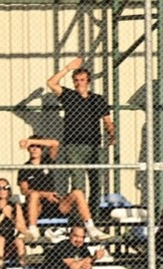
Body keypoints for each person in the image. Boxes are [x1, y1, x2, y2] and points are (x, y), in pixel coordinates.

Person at [47, 57, 114, 210]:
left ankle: (93, 217)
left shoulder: (97, 99)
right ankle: (80, 219)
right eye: (76, 80)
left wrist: (111, 133)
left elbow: (107, 120)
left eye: (82, 80)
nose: (79, 83)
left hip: (94, 146)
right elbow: (51, 83)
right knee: (78, 184)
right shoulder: (69, 96)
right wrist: (67, 68)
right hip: (74, 146)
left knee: (96, 182)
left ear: (88, 81)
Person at [17, 136, 110, 242]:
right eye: (32, 147)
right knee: (34, 195)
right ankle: (33, 230)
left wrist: (30, 141)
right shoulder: (25, 168)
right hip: (38, 207)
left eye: (38, 147)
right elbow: (24, 191)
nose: (34, 149)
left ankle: (91, 228)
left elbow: (55, 143)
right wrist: (45, 194)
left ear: (42, 149)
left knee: (78, 193)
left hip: (55, 204)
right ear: (28, 149)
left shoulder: (47, 161)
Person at [0, 178, 29, 267]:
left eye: (5, 188)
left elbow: (22, 228)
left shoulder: (14, 206)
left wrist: (11, 217)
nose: (2, 190)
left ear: (9, 190)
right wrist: (3, 214)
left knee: (19, 241)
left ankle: (23, 268)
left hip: (10, 240)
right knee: (0, 239)